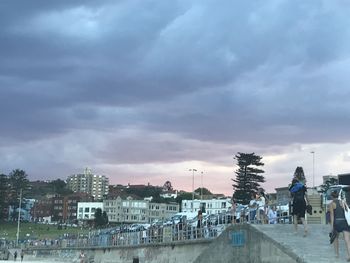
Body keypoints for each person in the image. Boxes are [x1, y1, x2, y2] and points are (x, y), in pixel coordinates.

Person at [329, 190, 350, 260]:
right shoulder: (342, 202)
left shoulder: (332, 204)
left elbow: (332, 216)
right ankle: (349, 255)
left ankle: (337, 254)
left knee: (335, 238)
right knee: (347, 240)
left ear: (332, 197)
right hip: (344, 222)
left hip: (337, 222)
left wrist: (332, 228)